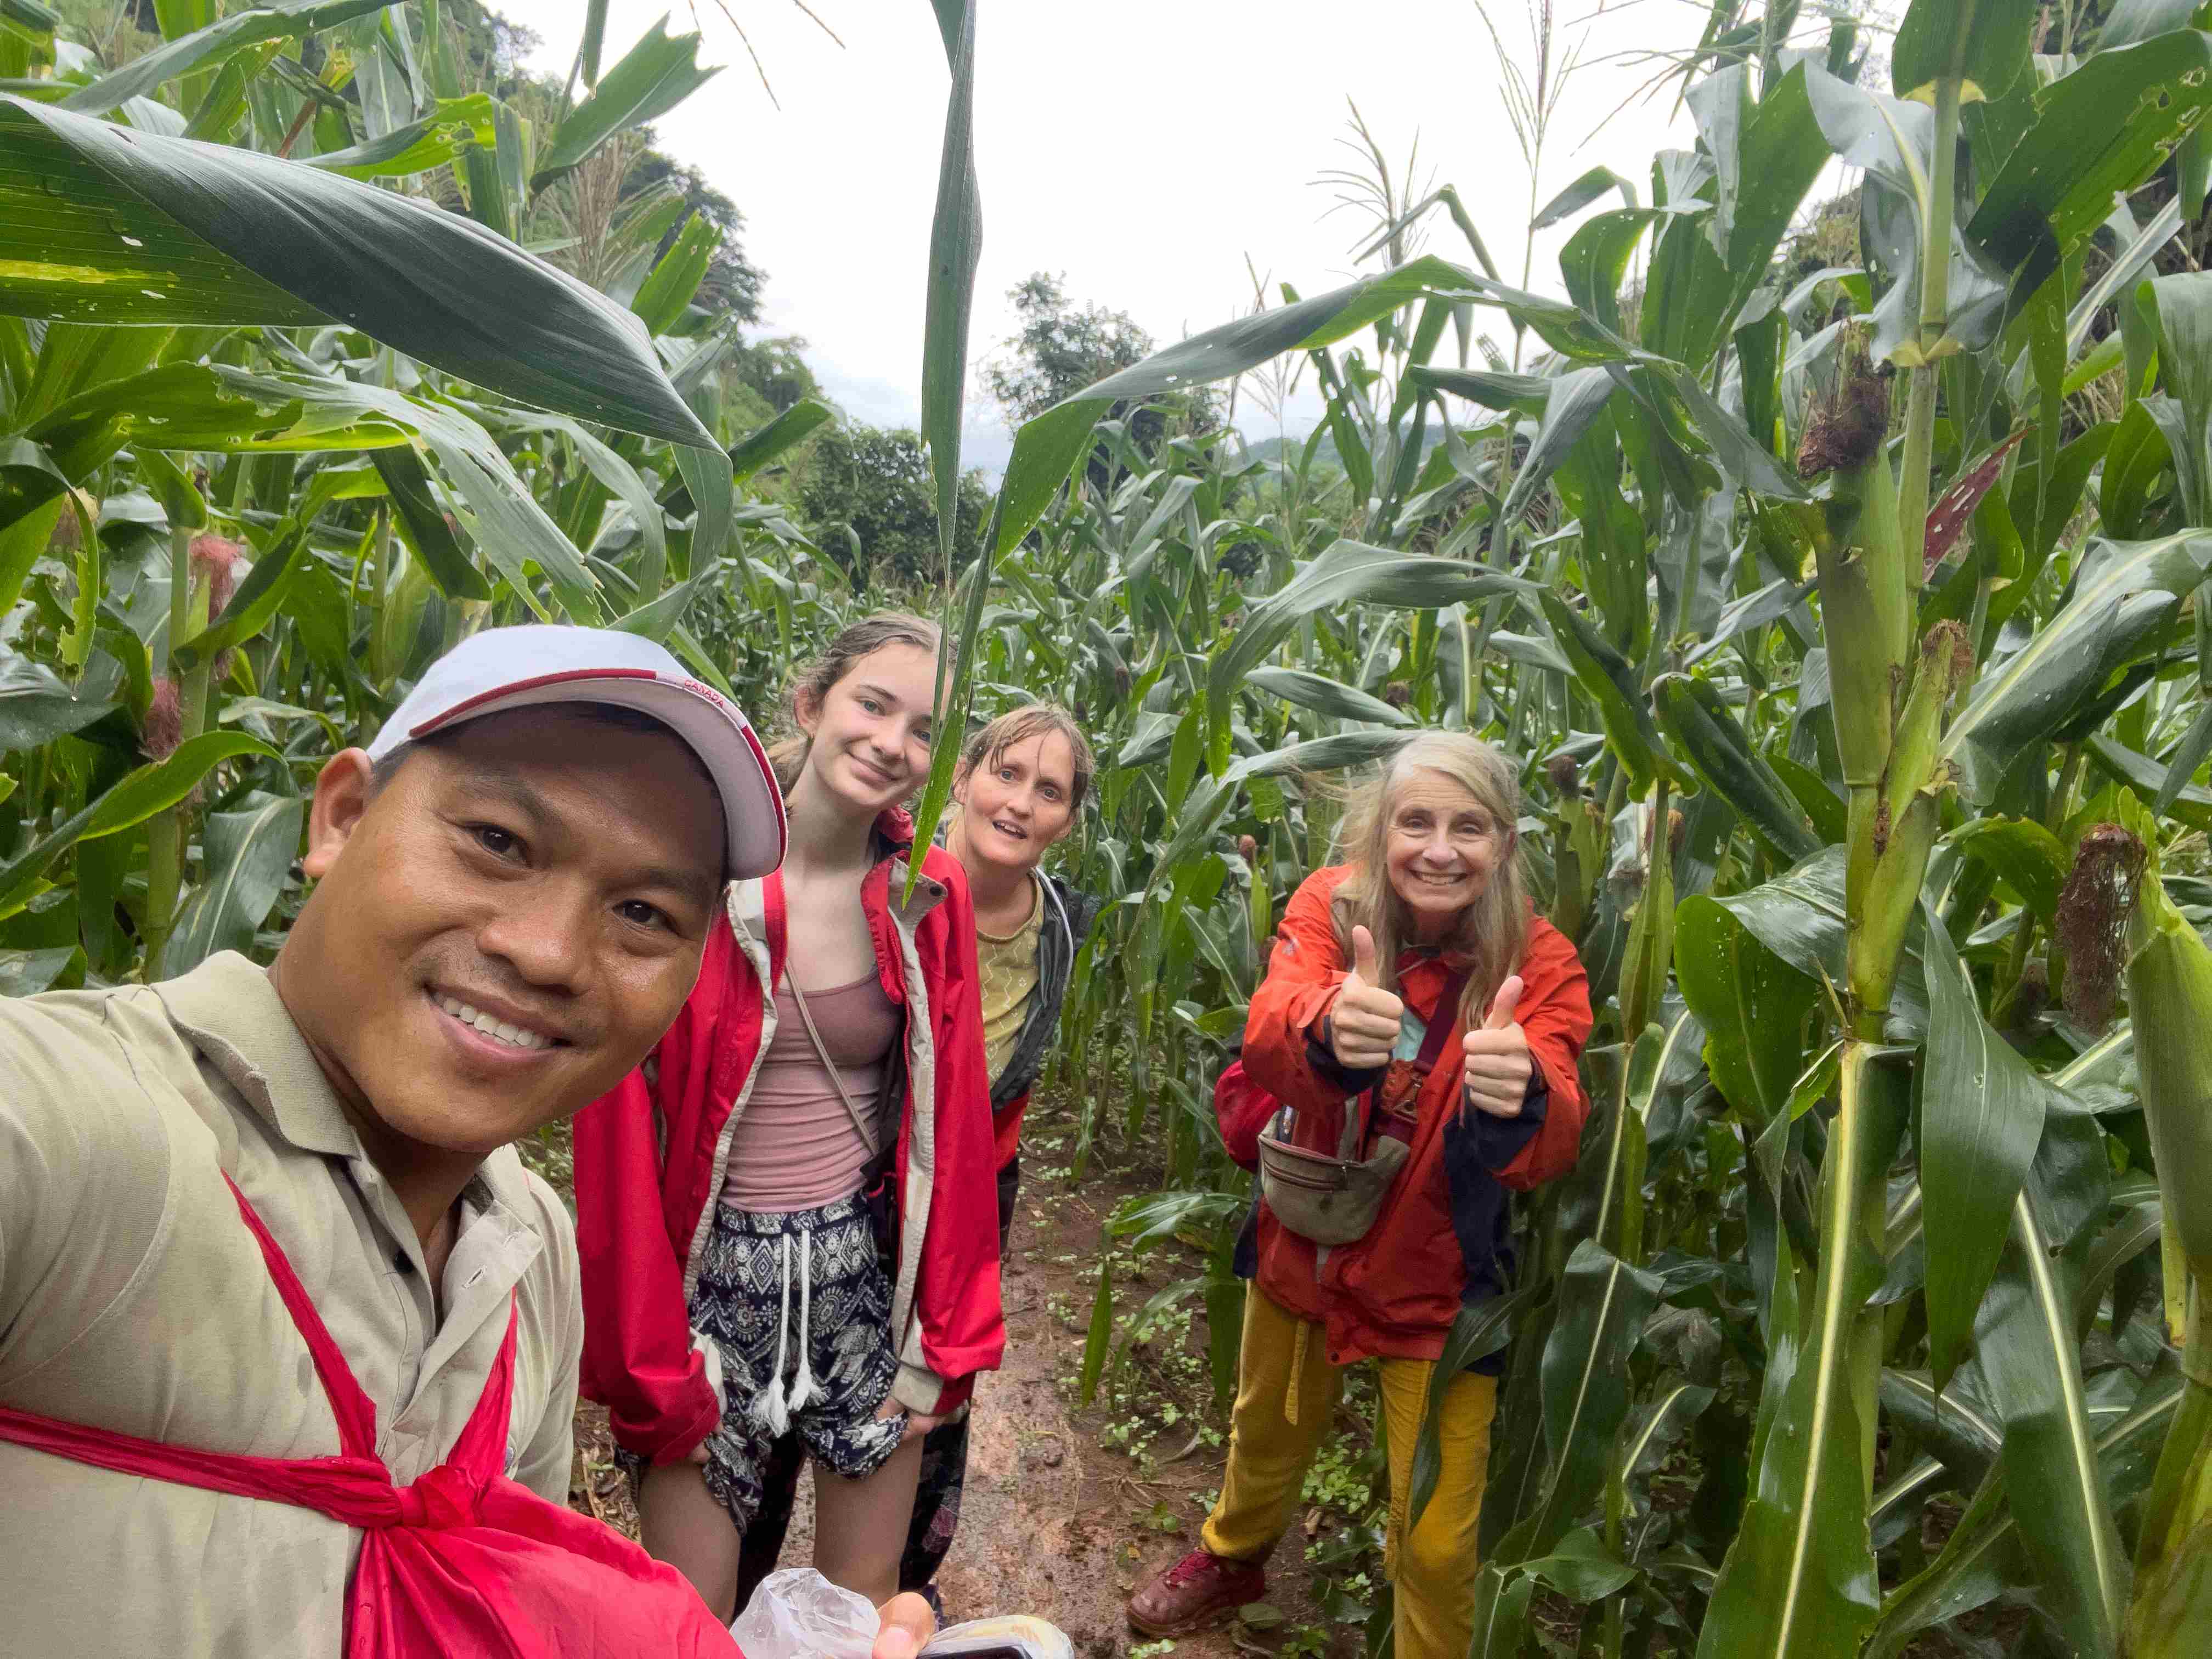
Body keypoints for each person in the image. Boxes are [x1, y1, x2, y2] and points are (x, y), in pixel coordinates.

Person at [0, 624, 928, 1655]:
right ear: (344, 818)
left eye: (643, 912)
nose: (546, 954)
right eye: (497, 842)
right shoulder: (86, 1134)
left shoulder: (528, 1253)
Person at [575, 612, 1005, 1625]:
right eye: (873, 704)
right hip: (709, 1294)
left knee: (857, 1613)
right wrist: (648, 1363)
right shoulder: (688, 884)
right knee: (691, 1621)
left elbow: (958, 1128)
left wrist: (939, 1341)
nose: (893, 743)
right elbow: (618, 1135)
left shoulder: (925, 900)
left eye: (924, 730)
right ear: (812, 707)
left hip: (862, 1281)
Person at [1126, 731, 1593, 1659]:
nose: (1439, 848)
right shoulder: (1329, 911)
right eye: (1415, 821)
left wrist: (1523, 1095)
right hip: (1305, 1238)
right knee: (1265, 1429)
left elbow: (1555, 1128)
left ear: (1502, 844)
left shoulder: (1538, 965)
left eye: (1469, 826)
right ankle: (1236, 1555)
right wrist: (1332, 1027)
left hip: (1439, 1290)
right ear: (1380, 831)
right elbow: (1272, 1027)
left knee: (1435, 1536)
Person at [732, 704, 1103, 1611]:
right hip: (870, 1172)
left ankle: (899, 1590)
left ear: (1071, 819)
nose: (1019, 803)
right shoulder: (894, 886)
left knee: (929, 1385)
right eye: (1005, 774)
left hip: (977, 1182)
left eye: (1049, 791)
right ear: (965, 777)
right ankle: (749, 1577)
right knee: (804, 1371)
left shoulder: (1058, 925)